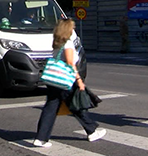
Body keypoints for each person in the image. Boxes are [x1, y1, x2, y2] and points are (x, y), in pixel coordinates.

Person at [34, 19, 106, 148]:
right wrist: (79, 80)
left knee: (50, 108)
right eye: (72, 28)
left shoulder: (57, 43)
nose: (73, 30)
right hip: (65, 80)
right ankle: (92, 131)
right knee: (76, 106)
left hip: (53, 80)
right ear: (68, 29)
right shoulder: (67, 44)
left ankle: (41, 138)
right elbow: (70, 63)